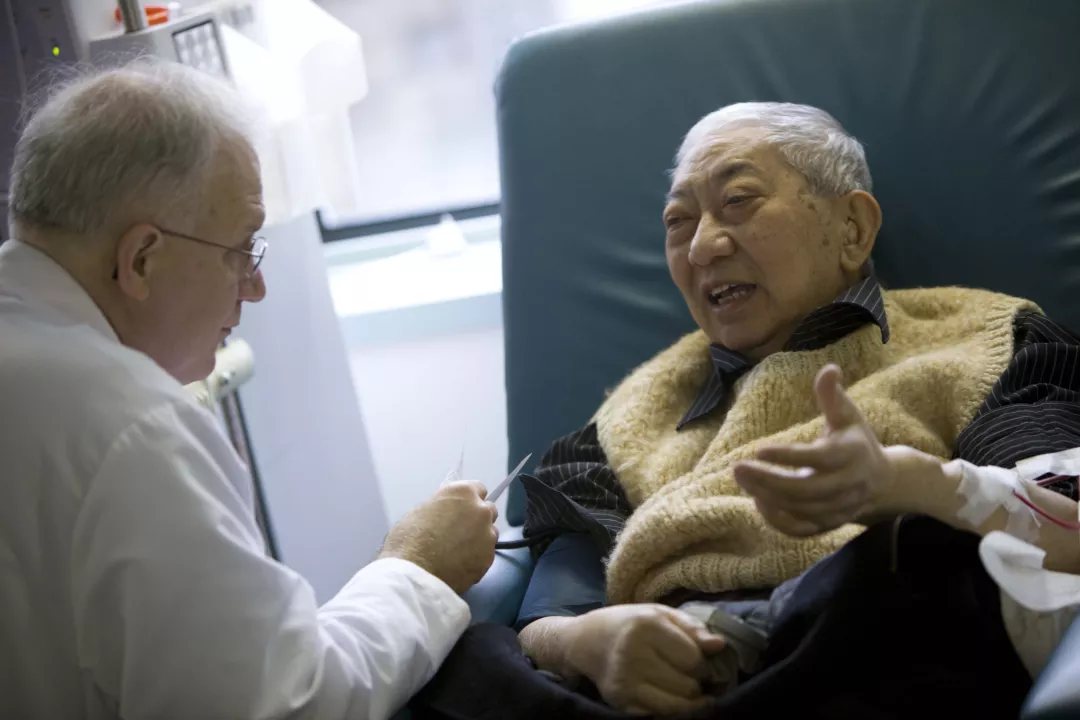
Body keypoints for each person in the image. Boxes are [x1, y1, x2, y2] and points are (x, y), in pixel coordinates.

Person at [507, 102, 1080, 715]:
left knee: (921, 561)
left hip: (866, 636)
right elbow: (551, 611)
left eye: (739, 200)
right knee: (468, 649)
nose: (702, 247)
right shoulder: (628, 416)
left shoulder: (988, 342)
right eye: (678, 222)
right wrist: (585, 642)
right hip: (663, 670)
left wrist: (916, 484)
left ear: (852, 228)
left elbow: (1068, 530)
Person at [0, 61, 498, 720]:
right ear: (141, 259)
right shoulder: (133, 432)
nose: (255, 287)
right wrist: (419, 564)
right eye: (241, 249)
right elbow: (292, 706)